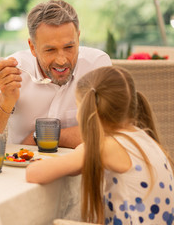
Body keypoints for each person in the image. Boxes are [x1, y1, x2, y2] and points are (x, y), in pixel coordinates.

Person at [26, 66, 174, 224]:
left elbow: (33, 173)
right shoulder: (142, 136)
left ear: (88, 111)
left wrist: (83, 151)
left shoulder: (106, 147)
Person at [0, 0, 111, 148]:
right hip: (23, 167)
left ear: (78, 37)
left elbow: (111, 130)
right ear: (32, 47)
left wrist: (40, 137)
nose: (62, 60)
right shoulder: (13, 71)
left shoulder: (96, 65)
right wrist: (5, 100)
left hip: (80, 167)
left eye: (69, 47)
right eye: (50, 50)